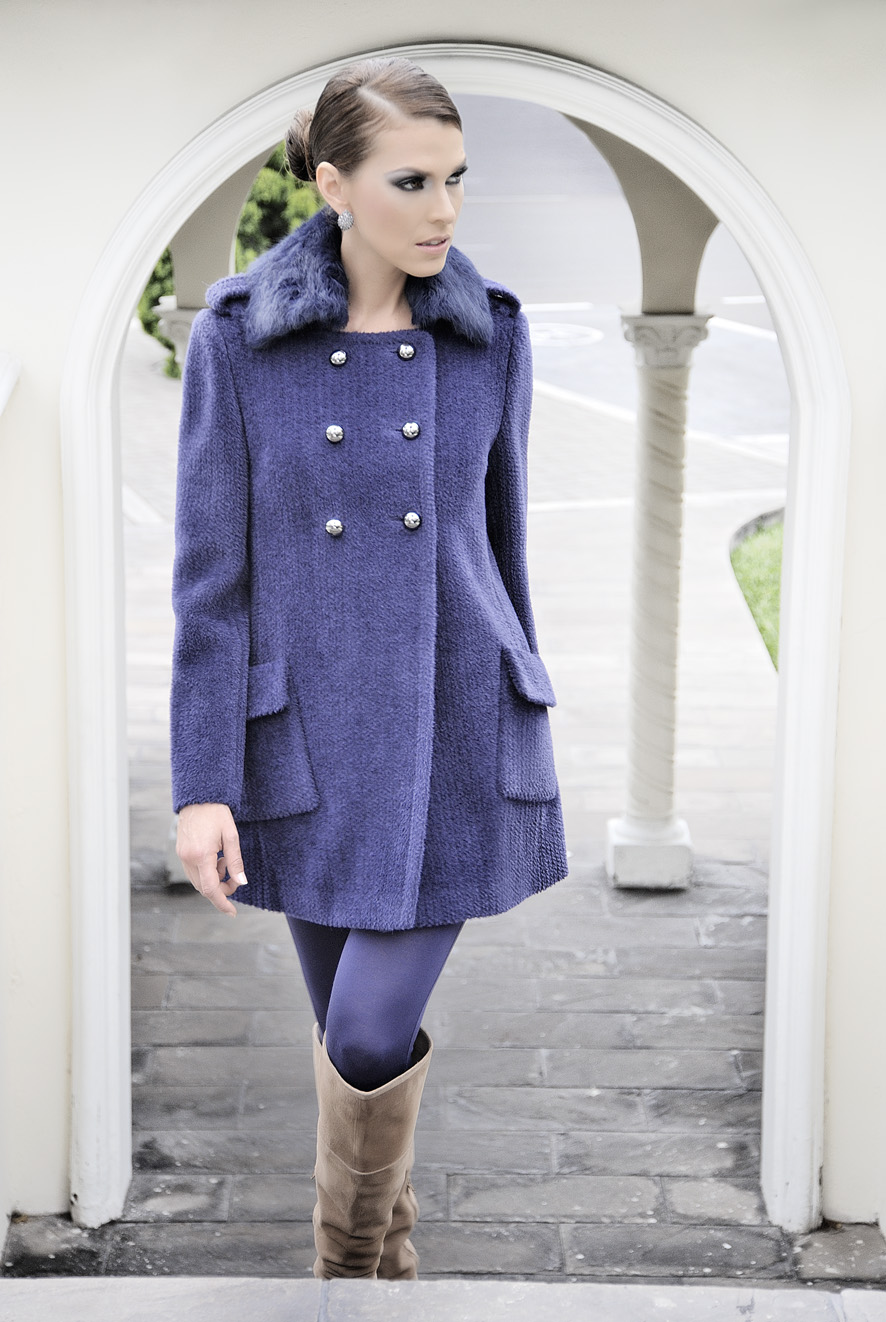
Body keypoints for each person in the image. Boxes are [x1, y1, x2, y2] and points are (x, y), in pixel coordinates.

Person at [170, 55, 568, 1280]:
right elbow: (211, 579)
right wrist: (202, 781)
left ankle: (341, 1274)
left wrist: (521, 710)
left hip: (454, 729)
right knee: (354, 1049)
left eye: (456, 178)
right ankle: (385, 1271)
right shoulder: (240, 338)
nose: (445, 209)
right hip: (305, 737)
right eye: (412, 181)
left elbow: (500, 548)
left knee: (362, 1030)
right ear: (335, 185)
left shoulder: (490, 336)